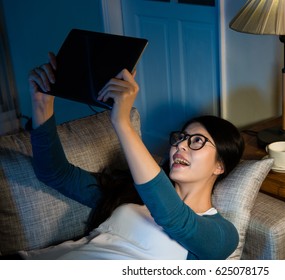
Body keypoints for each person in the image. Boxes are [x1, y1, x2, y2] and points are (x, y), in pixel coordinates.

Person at [26, 52, 245, 260]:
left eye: (197, 140)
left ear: (220, 165)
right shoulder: (128, 193)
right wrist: (41, 104)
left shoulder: (223, 235)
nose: (181, 146)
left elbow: (175, 219)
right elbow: (55, 173)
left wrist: (122, 121)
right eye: (180, 138)